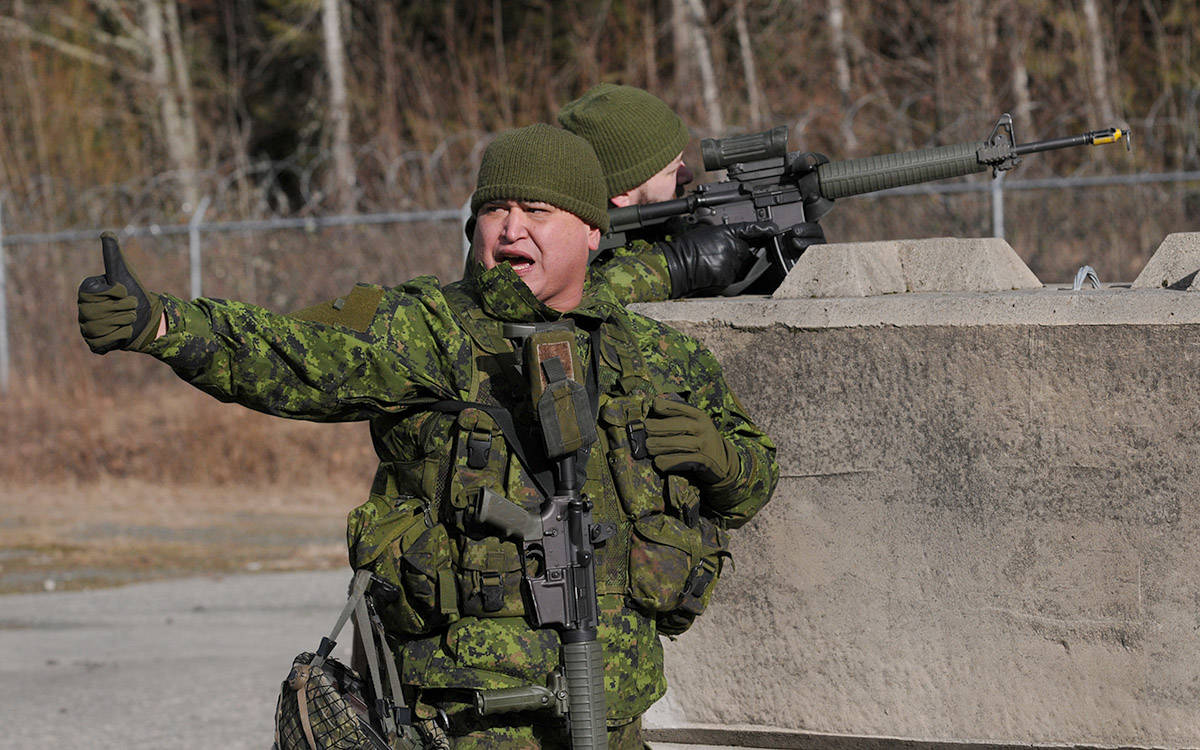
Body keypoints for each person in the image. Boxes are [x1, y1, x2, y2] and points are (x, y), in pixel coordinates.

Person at [78, 123, 777, 749]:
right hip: (459, 722)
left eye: (536, 211)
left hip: (609, 714)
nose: (510, 229)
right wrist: (164, 325)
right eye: (494, 211)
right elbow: (293, 353)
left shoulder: (657, 356)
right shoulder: (428, 330)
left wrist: (721, 461)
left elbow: (755, 477)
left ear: (592, 230)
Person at [560, 82, 826, 298]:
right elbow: (570, 302)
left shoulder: (667, 230)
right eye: (671, 169)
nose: (687, 175)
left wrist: (765, 270)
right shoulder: (558, 250)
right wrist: (679, 266)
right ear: (622, 193)